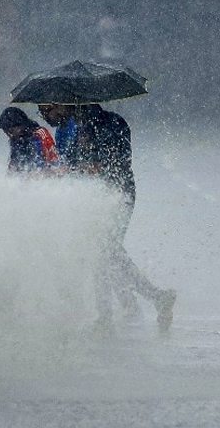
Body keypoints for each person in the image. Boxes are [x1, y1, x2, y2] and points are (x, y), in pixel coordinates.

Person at [38, 102, 176, 332]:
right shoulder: (77, 127)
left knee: (105, 252)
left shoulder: (111, 123)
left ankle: (117, 312)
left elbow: (119, 160)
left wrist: (96, 165)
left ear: (63, 106)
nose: (44, 116)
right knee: (105, 253)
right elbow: (74, 162)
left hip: (118, 194)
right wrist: (65, 169)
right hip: (96, 196)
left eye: (48, 110)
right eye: (41, 112)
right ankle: (150, 299)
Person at [0, 107, 59, 173]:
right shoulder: (16, 141)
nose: (10, 135)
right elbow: (13, 166)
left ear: (21, 125)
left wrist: (34, 175)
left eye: (11, 131)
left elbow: (54, 163)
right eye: (6, 132)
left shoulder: (39, 134)